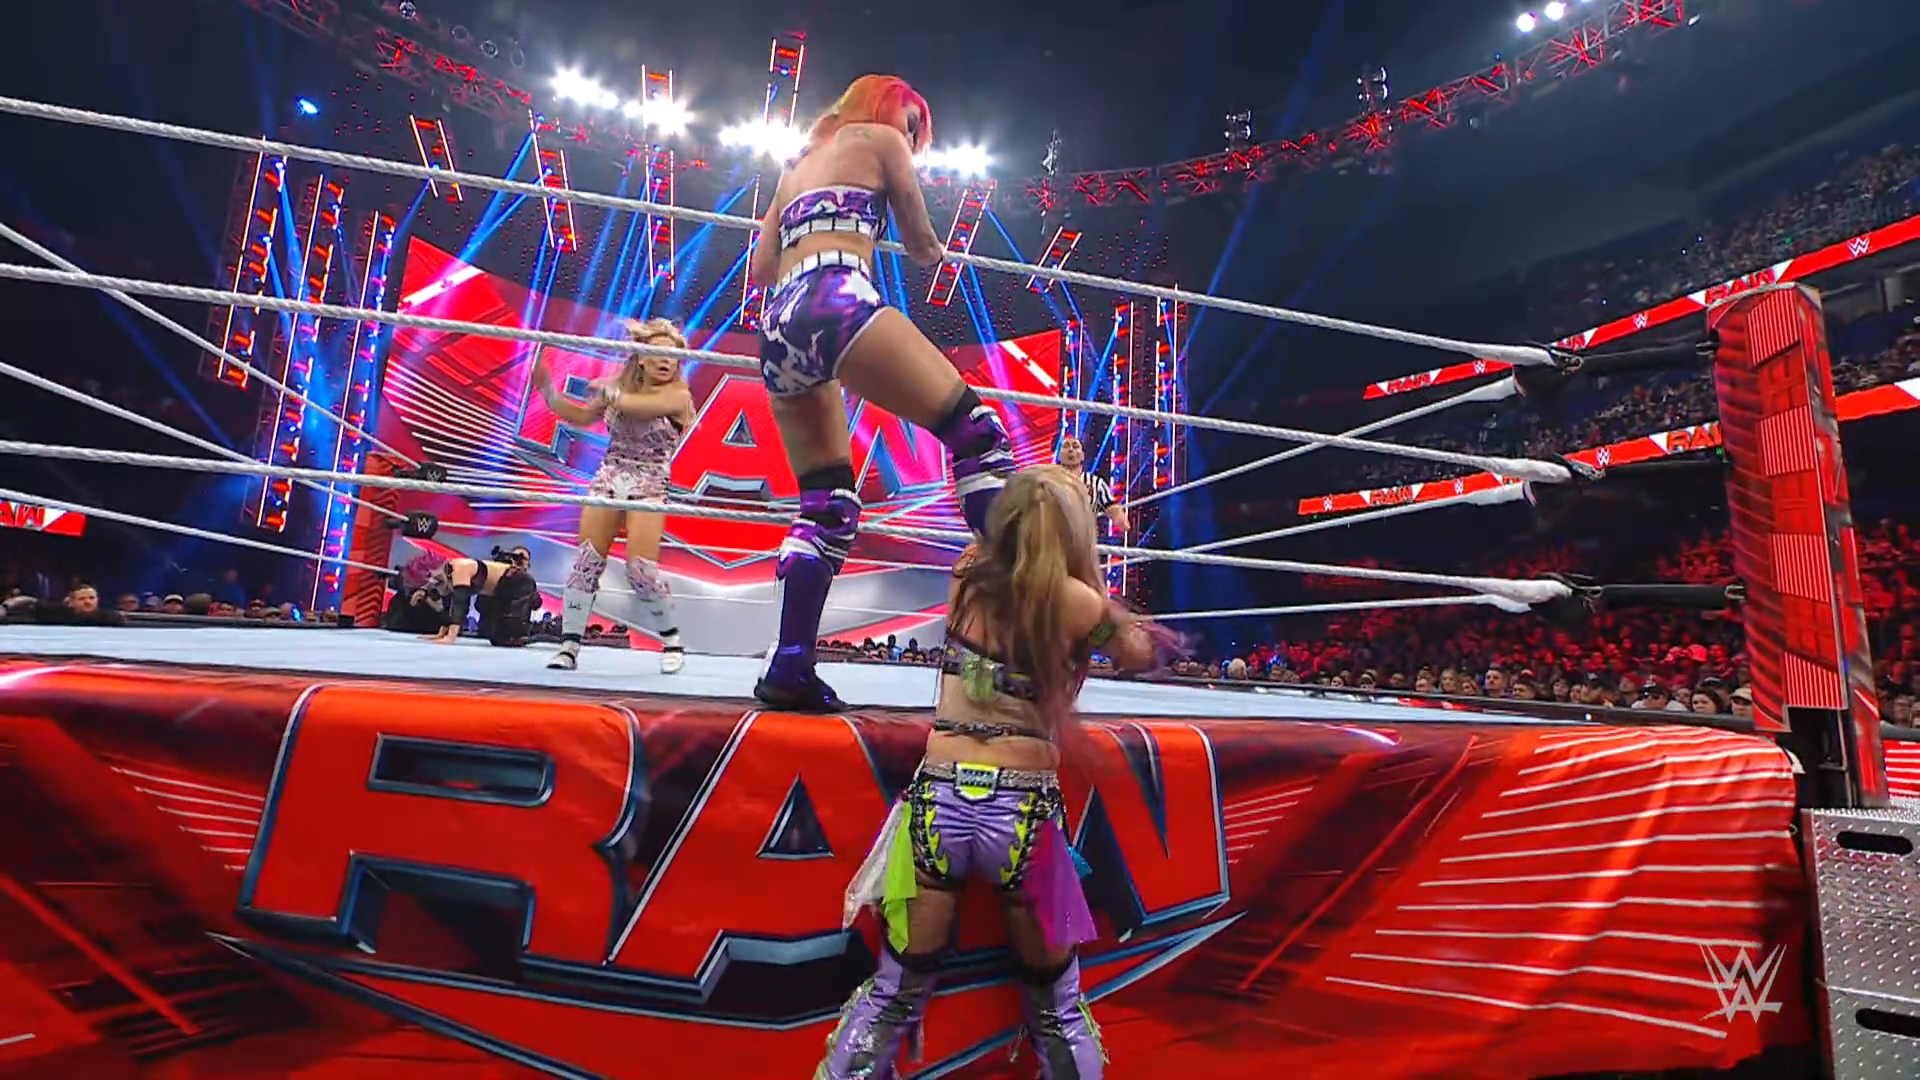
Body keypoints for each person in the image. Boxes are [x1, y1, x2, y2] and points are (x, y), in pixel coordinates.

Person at [820, 466, 1181, 1080]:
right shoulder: (1080, 604)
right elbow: (1140, 655)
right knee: (1058, 1006)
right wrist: (1132, 626)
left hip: (938, 805)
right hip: (1025, 817)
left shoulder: (969, 572)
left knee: (894, 991)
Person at [748, 73, 1019, 713]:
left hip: (779, 322)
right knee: (979, 436)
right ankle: (1003, 636)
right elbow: (922, 247)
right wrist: (928, 246)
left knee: (827, 504)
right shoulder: (883, 141)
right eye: (914, 124)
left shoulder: (797, 164)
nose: (913, 137)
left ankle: (790, 666)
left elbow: (760, 268)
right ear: (894, 111)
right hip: (838, 293)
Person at [529, 318, 695, 673]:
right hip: (609, 476)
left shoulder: (678, 394)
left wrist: (612, 394)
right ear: (641, 357)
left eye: (673, 356)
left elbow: (640, 408)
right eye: (658, 353)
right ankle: (569, 647)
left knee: (641, 571)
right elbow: (580, 415)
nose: (666, 361)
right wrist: (548, 392)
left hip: (650, 482)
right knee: (586, 562)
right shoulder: (618, 387)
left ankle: (672, 641)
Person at [394, 551, 541, 647]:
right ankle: (529, 631)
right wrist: (442, 632)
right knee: (498, 638)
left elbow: (460, 602)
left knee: (509, 637)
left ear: (433, 570)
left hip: (520, 584)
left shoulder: (459, 567)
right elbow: (447, 606)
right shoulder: (444, 578)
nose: (431, 582)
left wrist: (451, 636)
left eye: (430, 577)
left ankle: (540, 633)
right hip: (501, 591)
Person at [1056, 435, 1127, 536]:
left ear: (1082, 456)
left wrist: (1119, 516)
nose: (1070, 450)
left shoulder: (1096, 483)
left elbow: (1110, 505)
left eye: (1075, 446)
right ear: (1059, 455)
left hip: (1083, 539)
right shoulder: (1048, 482)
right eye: (1066, 446)